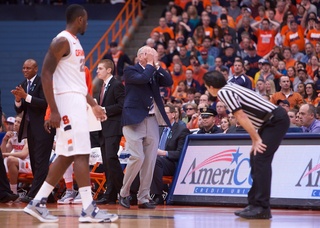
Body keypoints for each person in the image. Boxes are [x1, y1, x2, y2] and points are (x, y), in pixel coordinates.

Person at [23, 4, 118, 223]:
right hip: (67, 104)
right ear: (79, 20)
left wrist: (93, 104)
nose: (87, 23)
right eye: (86, 19)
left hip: (76, 101)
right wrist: (54, 110)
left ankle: (37, 202)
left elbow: (78, 83)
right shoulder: (61, 40)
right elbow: (46, 74)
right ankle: (88, 209)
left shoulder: (75, 42)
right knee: (81, 154)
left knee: (66, 156)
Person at [203, 70, 290, 219]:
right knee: (255, 157)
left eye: (206, 87)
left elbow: (241, 116)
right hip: (269, 122)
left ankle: (262, 207)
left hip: (275, 121)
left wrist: (256, 139)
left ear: (211, 87)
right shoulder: (230, 86)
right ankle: (254, 204)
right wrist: (255, 138)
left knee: (261, 159)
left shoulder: (224, 93)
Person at [119, 45, 173, 209]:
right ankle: (124, 193)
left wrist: (157, 66)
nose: (155, 58)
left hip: (151, 119)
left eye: (156, 56)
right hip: (133, 119)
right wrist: (151, 65)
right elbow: (142, 79)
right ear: (142, 55)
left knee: (150, 160)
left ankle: (144, 197)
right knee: (138, 157)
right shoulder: (130, 70)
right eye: (152, 55)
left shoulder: (153, 70)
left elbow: (169, 81)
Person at [11, 59, 56, 204]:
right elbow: (20, 109)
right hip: (30, 128)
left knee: (42, 162)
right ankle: (48, 196)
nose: (25, 70)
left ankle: (34, 194)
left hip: (44, 127)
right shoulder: (23, 84)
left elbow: (45, 103)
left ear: (36, 69)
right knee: (35, 161)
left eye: (28, 68)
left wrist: (26, 97)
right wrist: (18, 99)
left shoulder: (44, 82)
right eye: (23, 68)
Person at [95, 59, 125, 205]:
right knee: (107, 162)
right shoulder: (102, 86)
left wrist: (104, 109)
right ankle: (110, 194)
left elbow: (122, 105)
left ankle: (124, 191)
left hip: (113, 127)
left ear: (109, 70)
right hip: (103, 127)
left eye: (100, 68)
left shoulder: (117, 85)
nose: (97, 71)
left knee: (111, 159)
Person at [151, 104, 190, 204]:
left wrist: (163, 153)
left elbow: (181, 153)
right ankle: (132, 194)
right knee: (139, 159)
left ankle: (157, 195)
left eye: (165, 113)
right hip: (157, 159)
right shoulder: (158, 128)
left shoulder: (182, 130)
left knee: (156, 161)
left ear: (173, 114)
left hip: (172, 163)